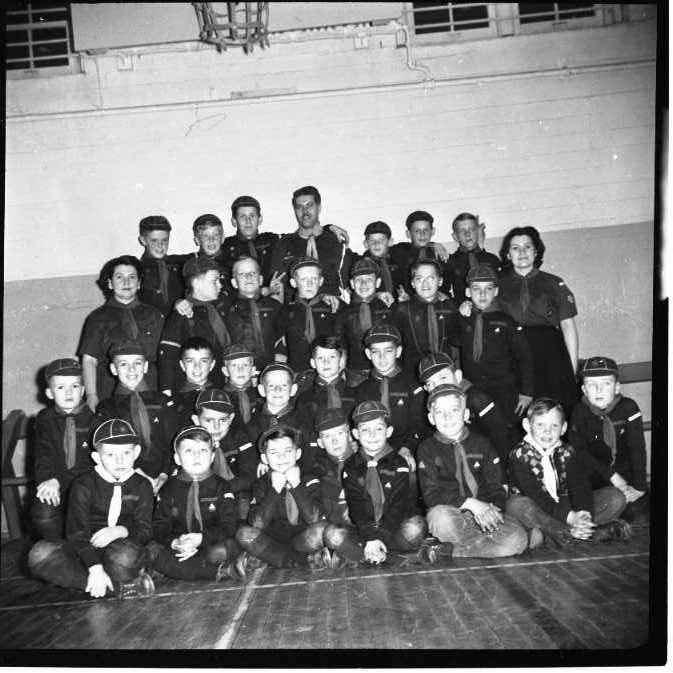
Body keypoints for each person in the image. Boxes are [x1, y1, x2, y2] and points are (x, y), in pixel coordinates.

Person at [27, 419, 155, 599]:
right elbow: (76, 534)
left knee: (126, 558)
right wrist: (95, 568)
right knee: (39, 554)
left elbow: (146, 530)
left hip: (120, 548)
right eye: (110, 454)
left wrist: (121, 530)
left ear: (136, 452)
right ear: (97, 457)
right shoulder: (83, 485)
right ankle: (117, 587)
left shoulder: (143, 485)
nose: (119, 460)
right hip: (84, 547)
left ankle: (104, 581)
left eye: (126, 452)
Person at [417, 384, 528, 558]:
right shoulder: (426, 448)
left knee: (518, 540)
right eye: (439, 412)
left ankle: (451, 550)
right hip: (452, 513)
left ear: (466, 414)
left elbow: (496, 485)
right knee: (439, 518)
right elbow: (431, 495)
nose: (447, 417)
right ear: (431, 418)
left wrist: (491, 509)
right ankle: (482, 546)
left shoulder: (482, 443)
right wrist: (471, 504)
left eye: (454, 410)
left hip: (484, 511)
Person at [507, 397, 631, 546]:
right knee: (516, 505)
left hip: (566, 506)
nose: (547, 431)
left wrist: (584, 515)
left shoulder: (567, 452)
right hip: (539, 508)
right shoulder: (519, 455)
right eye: (540, 425)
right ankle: (573, 533)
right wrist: (570, 517)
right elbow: (537, 496)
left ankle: (571, 533)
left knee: (616, 498)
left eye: (554, 426)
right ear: (527, 425)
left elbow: (580, 486)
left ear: (563, 428)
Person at [335, 401, 432, 566]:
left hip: (392, 527)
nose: (372, 435)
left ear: (389, 431)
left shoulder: (399, 463)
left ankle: (362, 555)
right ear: (355, 434)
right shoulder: (350, 467)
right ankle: (394, 556)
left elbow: (399, 504)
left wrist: (380, 536)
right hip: (364, 529)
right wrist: (370, 536)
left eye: (379, 429)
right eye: (365, 429)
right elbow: (356, 506)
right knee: (332, 535)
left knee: (416, 528)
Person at [147, 426, 247, 582]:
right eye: (188, 451)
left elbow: (228, 526)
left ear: (212, 456)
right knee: (151, 551)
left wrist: (201, 539)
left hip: (211, 543)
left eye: (203, 450)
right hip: (181, 546)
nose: (196, 456)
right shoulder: (168, 489)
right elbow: (160, 526)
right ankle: (221, 572)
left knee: (221, 551)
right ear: (177, 458)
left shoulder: (222, 486)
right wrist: (176, 543)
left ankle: (175, 569)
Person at [497, 226, 579, 414]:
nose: (522, 252)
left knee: (554, 409)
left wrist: (572, 368)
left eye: (527, 247)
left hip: (548, 352)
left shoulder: (554, 283)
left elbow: (568, 326)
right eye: (515, 248)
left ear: (536, 252)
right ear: (508, 254)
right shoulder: (498, 286)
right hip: (513, 352)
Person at [457, 264, 534, 443]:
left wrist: (526, 392)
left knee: (505, 434)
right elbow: (453, 339)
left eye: (488, 289)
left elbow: (524, 357)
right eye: (476, 289)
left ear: (496, 291)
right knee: (478, 435)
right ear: (468, 292)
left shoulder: (507, 321)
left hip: (504, 389)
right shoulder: (464, 318)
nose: (482, 294)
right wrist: (460, 316)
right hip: (475, 389)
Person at [236, 425, 329, 569]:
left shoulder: (309, 478)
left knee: (322, 530)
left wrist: (296, 485)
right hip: (272, 540)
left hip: (302, 538)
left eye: (288, 451)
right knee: (243, 534)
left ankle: (275, 559)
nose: (282, 457)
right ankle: (301, 560)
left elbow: (315, 518)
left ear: (298, 454)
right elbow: (258, 523)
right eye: (274, 452)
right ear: (264, 458)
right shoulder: (261, 484)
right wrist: (275, 489)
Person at [569, 356, 649, 523]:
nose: (599, 390)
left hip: (625, 478)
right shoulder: (579, 412)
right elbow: (580, 453)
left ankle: (595, 521)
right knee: (611, 501)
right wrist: (611, 475)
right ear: (584, 389)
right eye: (591, 384)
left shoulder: (628, 408)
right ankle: (585, 520)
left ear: (617, 387)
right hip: (595, 477)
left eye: (606, 383)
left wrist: (639, 487)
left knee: (639, 513)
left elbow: (637, 448)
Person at [79, 255, 164, 408]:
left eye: (132, 277)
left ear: (139, 283)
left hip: (150, 388)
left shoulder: (155, 315)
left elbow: (165, 356)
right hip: (109, 391)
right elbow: (89, 360)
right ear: (110, 283)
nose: (126, 282)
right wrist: (92, 396)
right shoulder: (97, 318)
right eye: (119, 277)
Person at [96, 341, 175, 494]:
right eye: (124, 364)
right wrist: (138, 475)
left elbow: (173, 440)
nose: (131, 369)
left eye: (137, 363)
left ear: (145, 367)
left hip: (164, 476)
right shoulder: (106, 408)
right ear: (113, 369)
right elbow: (111, 450)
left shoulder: (162, 402)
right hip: (127, 477)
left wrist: (165, 474)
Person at [31, 358, 95, 541]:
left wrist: (63, 482)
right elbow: (42, 455)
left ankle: (83, 549)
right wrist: (48, 479)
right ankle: (57, 547)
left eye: (74, 386)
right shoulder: (45, 420)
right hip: (55, 484)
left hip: (86, 488)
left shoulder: (95, 421)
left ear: (82, 390)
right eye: (60, 387)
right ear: (49, 393)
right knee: (44, 512)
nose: (68, 392)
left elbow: (92, 463)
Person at [417, 352, 514, 466]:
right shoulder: (431, 405)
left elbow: (500, 436)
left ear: (458, 376)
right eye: (430, 384)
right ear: (425, 388)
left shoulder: (477, 400)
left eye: (443, 378)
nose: (438, 386)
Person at [355, 323, 424, 473]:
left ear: (398, 352)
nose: (382, 358)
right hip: (373, 449)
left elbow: (419, 425)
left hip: (407, 447)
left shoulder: (413, 386)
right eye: (375, 352)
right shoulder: (362, 390)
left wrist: (407, 448)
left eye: (388, 351)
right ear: (368, 354)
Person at [158, 256, 231, 395]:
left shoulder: (221, 306)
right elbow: (167, 354)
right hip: (192, 388)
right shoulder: (182, 313)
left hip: (222, 384)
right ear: (197, 283)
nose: (220, 285)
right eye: (214, 281)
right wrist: (166, 391)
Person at [269, 185, 353, 300]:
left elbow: (350, 285)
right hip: (296, 307)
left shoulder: (336, 243)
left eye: (309, 205)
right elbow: (276, 288)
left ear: (319, 207)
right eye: (299, 207)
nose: (305, 211)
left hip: (331, 307)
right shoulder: (284, 245)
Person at [191, 388, 258, 522]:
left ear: (231, 418)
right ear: (196, 420)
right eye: (209, 420)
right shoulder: (190, 444)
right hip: (203, 498)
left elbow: (250, 476)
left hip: (236, 495)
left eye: (222, 420)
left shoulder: (240, 438)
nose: (216, 427)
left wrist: (222, 489)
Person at [277, 256, 345, 377]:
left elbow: (344, 339)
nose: (309, 284)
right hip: (298, 372)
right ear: (293, 283)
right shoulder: (285, 311)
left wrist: (342, 364)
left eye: (314, 279)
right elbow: (279, 344)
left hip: (329, 371)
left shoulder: (332, 306)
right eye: (303, 279)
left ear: (321, 281)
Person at [245, 363, 317, 472]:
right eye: (271, 386)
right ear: (262, 390)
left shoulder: (305, 423)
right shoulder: (251, 427)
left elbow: (311, 460)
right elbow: (247, 465)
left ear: (293, 389)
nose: (277, 390)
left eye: (283, 385)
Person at [393, 258, 459, 377]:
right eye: (419, 279)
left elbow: (456, 340)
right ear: (412, 283)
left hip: (445, 369)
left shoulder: (449, 307)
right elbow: (396, 343)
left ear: (440, 281)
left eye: (431, 278)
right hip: (413, 372)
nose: (425, 284)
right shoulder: (403, 310)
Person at [335, 257, 393, 387]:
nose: (364, 284)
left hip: (385, 367)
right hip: (355, 371)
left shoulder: (388, 308)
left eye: (369, 279)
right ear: (352, 283)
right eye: (359, 280)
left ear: (378, 282)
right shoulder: (344, 312)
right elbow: (340, 342)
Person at [225, 255, 283, 371]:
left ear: (260, 279)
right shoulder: (225, 309)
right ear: (234, 283)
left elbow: (283, 337)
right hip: (238, 370)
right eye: (242, 274)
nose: (248, 277)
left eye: (253, 273)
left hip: (270, 368)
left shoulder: (275, 307)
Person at [222, 195, 282, 295]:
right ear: (234, 221)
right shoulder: (225, 247)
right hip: (238, 301)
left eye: (252, 216)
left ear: (260, 219)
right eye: (243, 217)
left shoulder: (272, 240)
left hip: (271, 300)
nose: (248, 221)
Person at [295, 336, 358, 430]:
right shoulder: (305, 399)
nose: (326, 362)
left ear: (340, 361)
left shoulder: (355, 395)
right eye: (320, 358)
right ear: (313, 363)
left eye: (332, 357)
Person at [389, 210, 450, 297]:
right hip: (408, 300)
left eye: (426, 230)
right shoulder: (400, 251)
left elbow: (446, 285)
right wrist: (431, 244)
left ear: (433, 231)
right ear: (408, 234)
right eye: (417, 231)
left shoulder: (439, 254)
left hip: (435, 300)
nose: (422, 234)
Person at [136, 215, 187, 316]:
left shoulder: (180, 265)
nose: (160, 245)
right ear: (143, 240)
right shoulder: (136, 270)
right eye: (154, 240)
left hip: (178, 322)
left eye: (164, 240)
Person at [446, 212, 500, 304]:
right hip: (463, 309)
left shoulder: (492, 259)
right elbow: (443, 291)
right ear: (455, 237)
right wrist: (457, 306)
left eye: (472, 229)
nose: (467, 234)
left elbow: (500, 286)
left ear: (478, 232)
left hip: (491, 307)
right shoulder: (450, 261)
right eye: (462, 231)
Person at [169, 336, 217, 436]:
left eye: (203, 361)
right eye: (190, 361)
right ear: (182, 365)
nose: (197, 367)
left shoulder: (222, 393)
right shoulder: (174, 400)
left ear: (212, 365)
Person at [359, 220, 403, 301]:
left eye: (381, 240)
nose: (376, 244)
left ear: (390, 242)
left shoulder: (397, 261)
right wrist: (376, 295)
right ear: (366, 244)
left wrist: (405, 297)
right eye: (372, 241)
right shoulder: (361, 266)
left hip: (396, 304)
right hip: (372, 304)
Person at [191, 213, 231, 297]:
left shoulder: (232, 264)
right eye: (205, 236)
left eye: (215, 235)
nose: (211, 240)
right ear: (197, 240)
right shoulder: (190, 265)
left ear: (222, 238)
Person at [221, 343, 262, 425]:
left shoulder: (260, 395)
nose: (240, 370)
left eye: (245, 365)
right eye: (234, 365)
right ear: (225, 371)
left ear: (253, 370)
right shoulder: (221, 398)